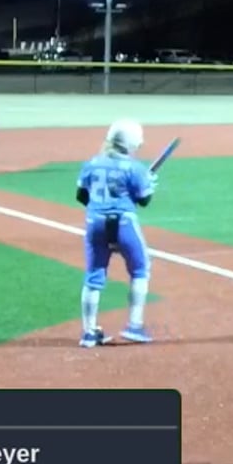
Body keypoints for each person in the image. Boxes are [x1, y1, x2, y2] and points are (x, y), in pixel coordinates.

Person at [76, 119, 158, 347]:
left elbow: (81, 196)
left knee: (93, 276)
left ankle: (89, 332)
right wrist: (149, 184)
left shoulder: (92, 163)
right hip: (124, 223)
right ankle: (134, 325)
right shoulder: (135, 168)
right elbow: (144, 200)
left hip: (95, 223)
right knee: (140, 269)